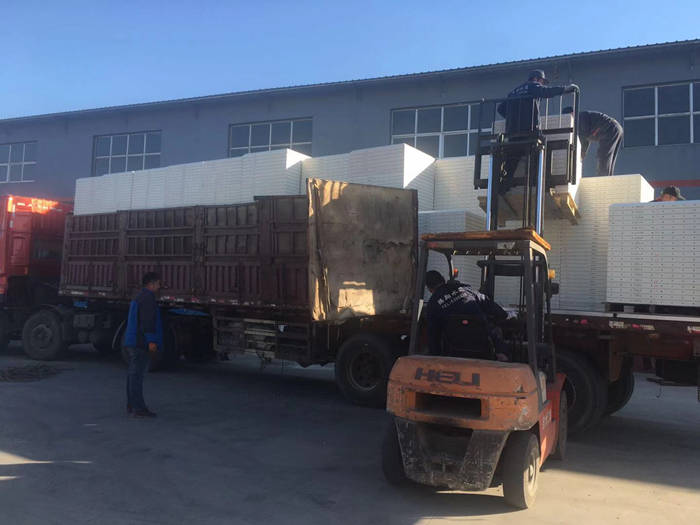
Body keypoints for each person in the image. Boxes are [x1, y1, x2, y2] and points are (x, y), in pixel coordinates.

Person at [496, 70, 579, 185]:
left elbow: (500, 109)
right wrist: (565, 89)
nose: (542, 84)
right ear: (536, 79)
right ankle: (539, 179)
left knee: (512, 161)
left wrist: (514, 118)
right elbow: (546, 92)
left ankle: (503, 186)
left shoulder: (513, 92)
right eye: (542, 82)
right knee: (540, 149)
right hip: (529, 130)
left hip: (512, 133)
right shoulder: (532, 86)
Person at [424, 270, 508, 358]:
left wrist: (435, 356)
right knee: (496, 331)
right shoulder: (465, 289)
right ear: (443, 279)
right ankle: (501, 355)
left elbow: (433, 335)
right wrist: (504, 315)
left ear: (429, 288)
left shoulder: (432, 305)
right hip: (482, 345)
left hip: (455, 349)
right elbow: (490, 305)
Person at [123, 272, 163, 418]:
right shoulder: (148, 298)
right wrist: (151, 341)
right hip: (141, 342)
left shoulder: (139, 296)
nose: (159, 286)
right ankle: (138, 408)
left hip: (134, 340)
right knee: (137, 375)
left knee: (133, 374)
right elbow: (148, 322)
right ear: (151, 284)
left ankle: (132, 405)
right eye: (158, 283)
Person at [576, 110, 623, 177]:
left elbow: (584, 136)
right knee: (609, 157)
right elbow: (586, 140)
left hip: (610, 129)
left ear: (572, 114)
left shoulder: (580, 117)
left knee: (604, 154)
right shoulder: (581, 119)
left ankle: (603, 178)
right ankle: (607, 178)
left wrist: (580, 155)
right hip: (615, 128)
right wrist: (581, 156)